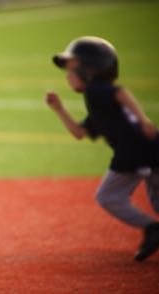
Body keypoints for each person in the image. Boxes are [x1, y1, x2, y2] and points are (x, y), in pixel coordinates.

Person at [46, 36, 159, 261]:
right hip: (144, 153)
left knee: (108, 196)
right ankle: (153, 229)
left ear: (91, 69)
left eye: (72, 69)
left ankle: (152, 229)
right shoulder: (96, 101)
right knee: (154, 199)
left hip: (138, 153)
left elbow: (120, 92)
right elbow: (79, 132)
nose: (68, 75)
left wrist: (143, 120)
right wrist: (59, 109)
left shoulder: (97, 90)